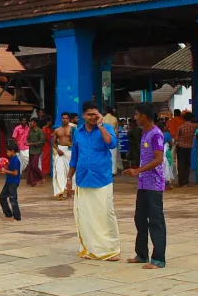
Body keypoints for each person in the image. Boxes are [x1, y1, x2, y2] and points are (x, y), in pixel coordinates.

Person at [66, 101, 120, 261]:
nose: (92, 117)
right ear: (83, 115)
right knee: (86, 216)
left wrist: (101, 125)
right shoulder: (78, 133)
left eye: (95, 114)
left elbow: (111, 144)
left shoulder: (106, 129)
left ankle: (111, 249)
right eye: (89, 114)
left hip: (102, 178)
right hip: (83, 179)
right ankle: (90, 249)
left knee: (105, 213)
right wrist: (69, 178)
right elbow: (74, 157)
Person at [124, 102, 166, 268]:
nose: (135, 117)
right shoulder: (144, 133)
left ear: (144, 116)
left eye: (136, 114)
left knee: (155, 220)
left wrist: (138, 170)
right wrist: (138, 171)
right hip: (143, 184)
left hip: (154, 185)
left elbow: (158, 159)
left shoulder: (156, 134)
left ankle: (159, 259)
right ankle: (141, 254)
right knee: (140, 218)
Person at [174, 113, 198, 188]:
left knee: (181, 164)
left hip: (180, 147)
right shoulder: (193, 126)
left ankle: (181, 182)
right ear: (191, 119)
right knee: (187, 164)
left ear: (184, 119)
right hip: (189, 147)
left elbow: (176, 138)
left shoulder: (181, 127)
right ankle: (186, 182)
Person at [52, 112, 74, 199]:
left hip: (69, 151)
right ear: (61, 119)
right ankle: (60, 192)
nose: (65, 119)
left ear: (69, 119)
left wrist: (71, 146)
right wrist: (57, 150)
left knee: (70, 171)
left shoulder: (72, 129)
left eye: (66, 118)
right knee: (59, 171)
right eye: (63, 118)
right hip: (60, 151)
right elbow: (53, 142)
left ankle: (69, 192)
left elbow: (75, 141)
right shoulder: (57, 130)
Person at [0, 143, 22, 222]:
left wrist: (5, 171)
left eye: (8, 152)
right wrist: (4, 171)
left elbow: (15, 173)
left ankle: (17, 217)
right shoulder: (11, 160)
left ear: (13, 151)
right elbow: (10, 170)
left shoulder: (15, 160)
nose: (7, 153)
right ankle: (8, 214)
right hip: (9, 181)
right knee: (2, 197)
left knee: (13, 199)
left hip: (13, 182)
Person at [103, 107, 123, 176]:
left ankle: (106, 169)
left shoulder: (103, 118)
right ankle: (113, 171)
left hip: (105, 138)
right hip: (113, 137)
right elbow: (116, 130)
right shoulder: (114, 118)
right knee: (113, 155)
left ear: (105, 111)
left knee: (105, 154)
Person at [26, 118, 45, 187]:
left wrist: (33, 144)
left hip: (37, 150)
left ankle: (41, 177)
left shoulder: (40, 131)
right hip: (31, 150)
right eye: (30, 122)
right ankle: (32, 181)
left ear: (35, 123)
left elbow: (42, 141)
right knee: (30, 166)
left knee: (34, 165)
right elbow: (28, 138)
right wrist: (27, 142)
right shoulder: (30, 130)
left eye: (32, 122)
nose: (30, 123)